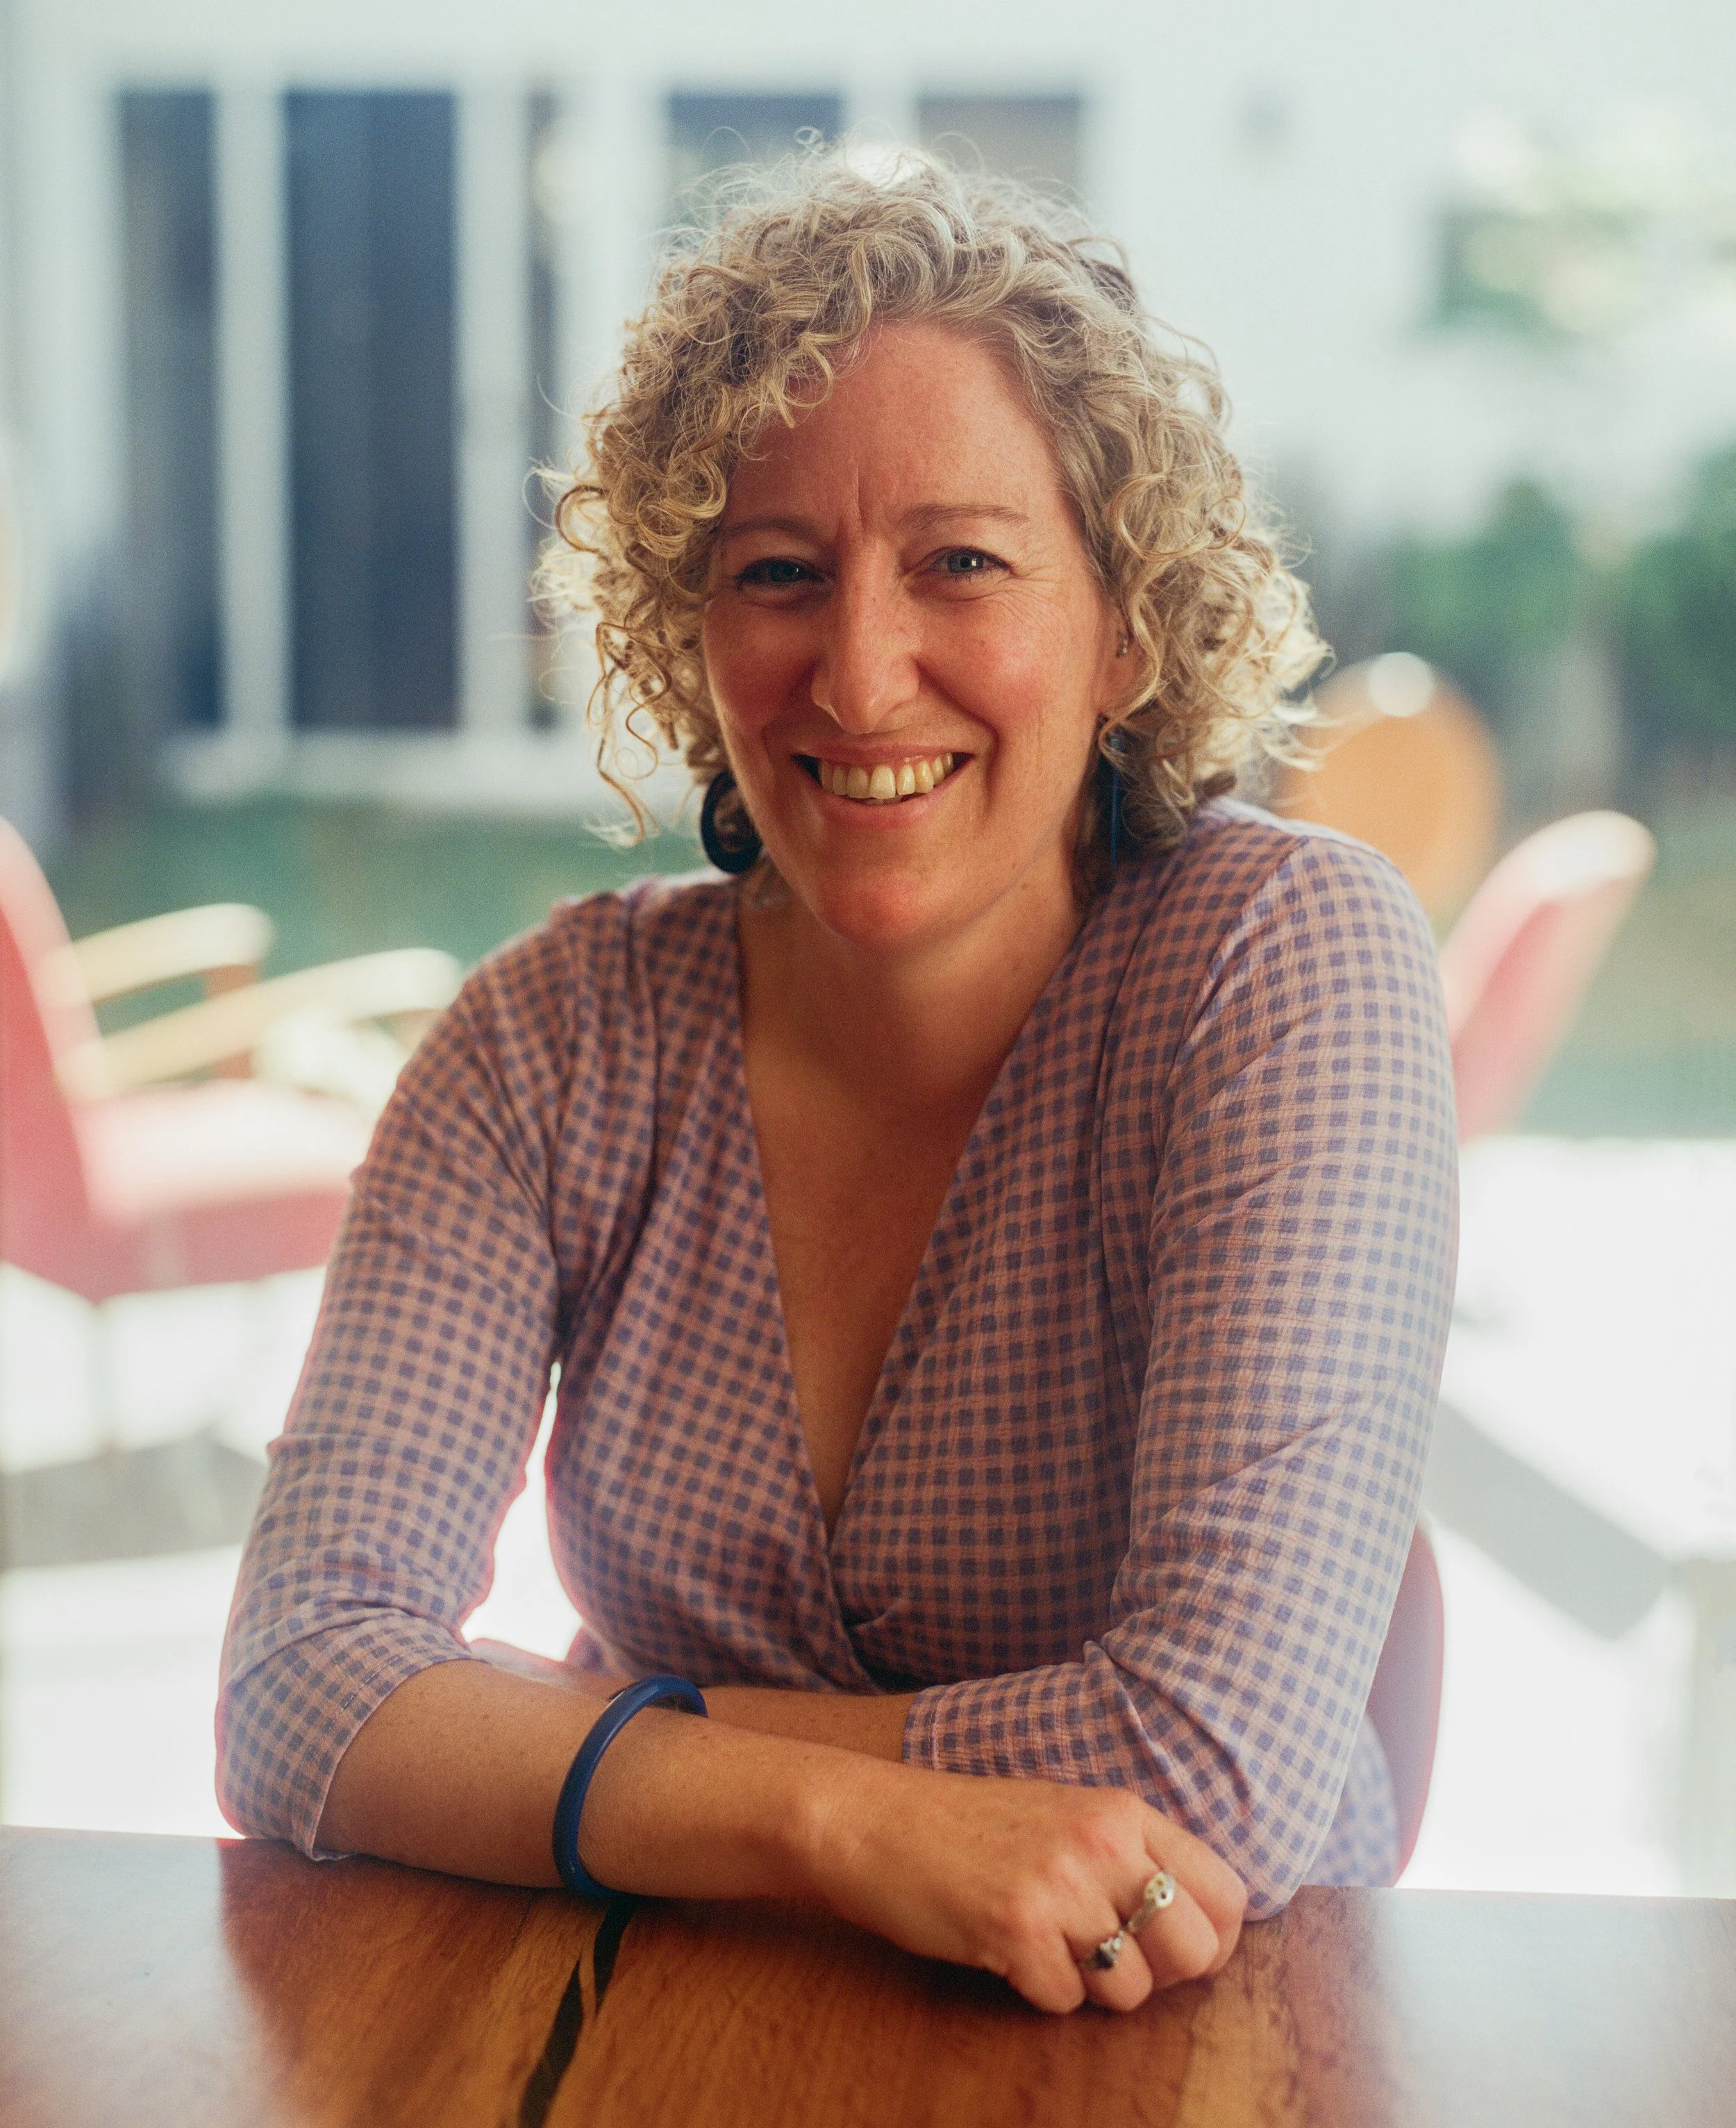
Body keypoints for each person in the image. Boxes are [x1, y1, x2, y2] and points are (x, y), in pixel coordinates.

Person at [218, 152, 1458, 2015]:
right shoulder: (546, 1043)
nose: (860, 674)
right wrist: (828, 1827)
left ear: (1124, 629)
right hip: (664, 2025)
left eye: (959, 562)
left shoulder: (1276, 959)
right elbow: (295, 1690)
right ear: (686, 635)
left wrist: (592, 1739)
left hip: (1183, 2040)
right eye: (776, 574)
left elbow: (1217, 1765)